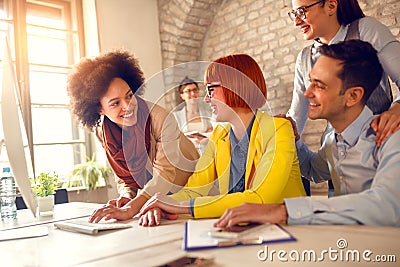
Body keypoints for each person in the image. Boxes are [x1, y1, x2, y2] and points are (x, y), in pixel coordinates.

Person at [215, 40, 400, 227]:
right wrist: (295, 140)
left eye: (319, 85)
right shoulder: (332, 141)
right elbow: (314, 171)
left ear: (353, 96)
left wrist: (283, 211)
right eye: (310, 81)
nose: (307, 93)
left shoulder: (392, 137)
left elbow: (388, 205)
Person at [137, 53, 306, 226]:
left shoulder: (279, 129)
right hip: (241, 231)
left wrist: (181, 207)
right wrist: (161, 205)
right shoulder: (219, 135)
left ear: (235, 87)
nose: (206, 98)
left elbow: (261, 198)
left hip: (290, 232)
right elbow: (193, 190)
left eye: (211, 89)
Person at [67, 50, 199, 222]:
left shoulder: (161, 118)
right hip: (156, 198)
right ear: (99, 109)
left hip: (191, 189)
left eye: (130, 96)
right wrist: (127, 196)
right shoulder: (102, 132)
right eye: (115, 103)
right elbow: (123, 175)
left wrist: (132, 207)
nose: (128, 105)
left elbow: (165, 174)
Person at [286, 0, 400, 147]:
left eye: (301, 12)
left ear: (331, 6)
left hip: (381, 145)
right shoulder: (305, 58)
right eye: (294, 14)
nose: (296, 22)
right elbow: (296, 118)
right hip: (335, 154)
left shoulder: (365, 30)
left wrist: (396, 109)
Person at [172, 76, 213, 154]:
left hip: (206, 154)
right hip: (186, 155)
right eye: (188, 91)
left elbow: (215, 134)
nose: (193, 94)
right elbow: (174, 139)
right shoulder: (176, 116)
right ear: (182, 95)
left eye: (195, 90)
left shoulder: (208, 114)